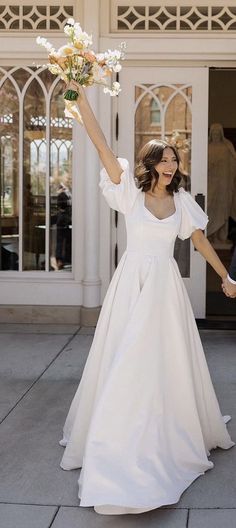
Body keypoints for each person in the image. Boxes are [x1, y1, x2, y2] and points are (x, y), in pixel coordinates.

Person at [59, 82, 235, 515]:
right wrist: (81, 104)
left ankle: (167, 429)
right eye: (164, 159)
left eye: (175, 159)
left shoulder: (182, 202)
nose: (171, 165)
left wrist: (227, 275)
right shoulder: (130, 193)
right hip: (131, 284)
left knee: (163, 359)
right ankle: (115, 439)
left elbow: (199, 243)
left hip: (165, 289)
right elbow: (102, 147)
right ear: (150, 164)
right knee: (124, 358)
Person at [207, 123, 236, 245]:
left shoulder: (226, 147)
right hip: (211, 183)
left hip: (224, 183)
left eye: (218, 133)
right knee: (210, 207)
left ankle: (221, 236)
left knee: (223, 209)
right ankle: (210, 234)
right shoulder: (207, 147)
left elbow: (233, 164)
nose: (215, 135)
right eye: (213, 133)